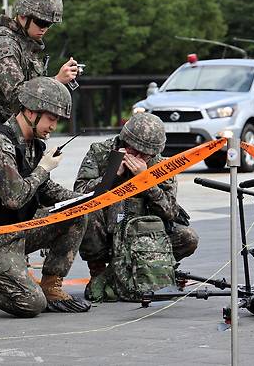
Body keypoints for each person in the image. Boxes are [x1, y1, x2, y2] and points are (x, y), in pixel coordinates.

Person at [0, 76, 90, 317]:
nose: (54, 126)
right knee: (31, 303)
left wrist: (86, 200)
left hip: (18, 227)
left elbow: (45, 190)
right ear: (31, 112)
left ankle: (52, 286)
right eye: (51, 118)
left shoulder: (33, 144)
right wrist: (43, 168)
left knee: (76, 216)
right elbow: (15, 198)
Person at [74, 112, 199, 297]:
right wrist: (111, 175)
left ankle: (150, 268)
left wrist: (147, 181)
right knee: (86, 215)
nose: (138, 157)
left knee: (189, 238)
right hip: (107, 230)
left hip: (143, 235)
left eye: (145, 154)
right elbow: (79, 194)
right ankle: (99, 272)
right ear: (125, 141)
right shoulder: (100, 152)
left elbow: (171, 211)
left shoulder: (161, 165)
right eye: (134, 151)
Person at [0, 0, 80, 123]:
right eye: (41, 22)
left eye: (49, 24)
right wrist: (56, 81)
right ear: (23, 16)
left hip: (13, 129)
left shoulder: (24, 44)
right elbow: (19, 96)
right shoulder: (3, 45)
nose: (45, 29)